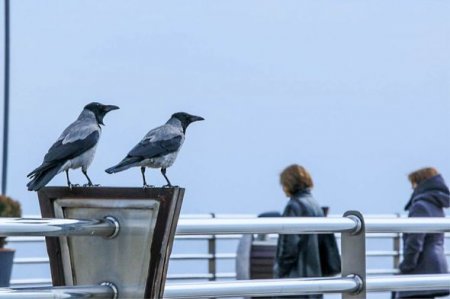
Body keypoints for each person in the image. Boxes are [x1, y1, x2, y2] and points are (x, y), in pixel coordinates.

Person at [396, 167, 450, 299]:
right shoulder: (436, 205)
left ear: (420, 183)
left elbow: (415, 240)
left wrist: (406, 265)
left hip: (421, 265)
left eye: (413, 184)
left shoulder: (421, 206)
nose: (412, 189)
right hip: (436, 264)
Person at [273, 164, 324, 299]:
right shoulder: (314, 204)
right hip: (315, 280)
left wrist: (279, 272)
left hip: (296, 283)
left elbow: (288, 248)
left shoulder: (293, 206)